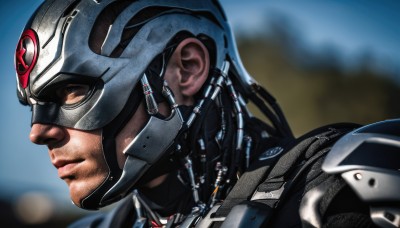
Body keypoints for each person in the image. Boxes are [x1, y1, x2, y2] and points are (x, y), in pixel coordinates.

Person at [14, 0, 399, 227]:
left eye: (72, 89)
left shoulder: (348, 188)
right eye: (34, 106)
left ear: (188, 68)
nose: (39, 132)